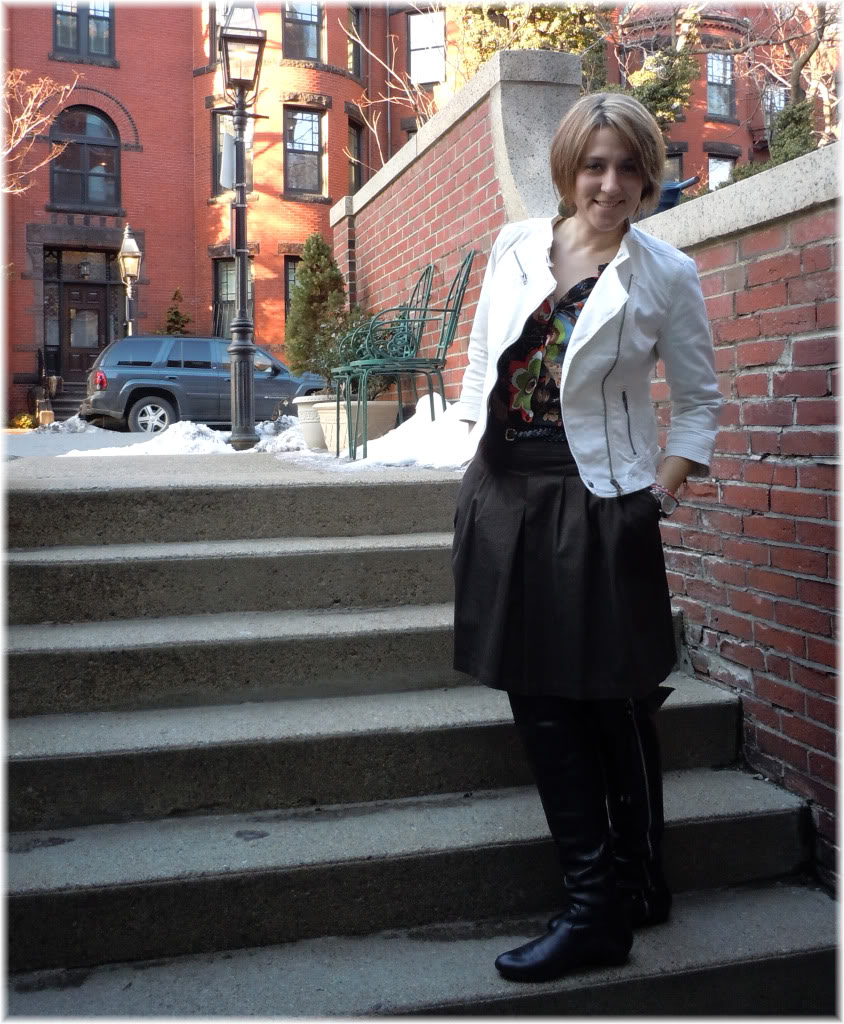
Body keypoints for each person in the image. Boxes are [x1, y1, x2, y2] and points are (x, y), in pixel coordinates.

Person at [451, 92, 722, 983]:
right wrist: (469, 464)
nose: (611, 184)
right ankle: (611, 894)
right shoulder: (515, 247)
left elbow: (699, 405)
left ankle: (616, 894)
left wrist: (654, 500)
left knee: (613, 696)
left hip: (601, 500)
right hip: (506, 495)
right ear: (567, 168)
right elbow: (482, 360)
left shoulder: (664, 273)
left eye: (630, 167)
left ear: (649, 176)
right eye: (595, 165)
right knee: (542, 696)